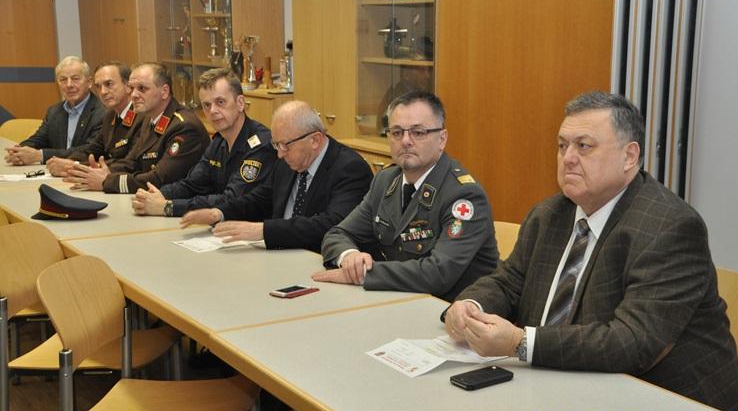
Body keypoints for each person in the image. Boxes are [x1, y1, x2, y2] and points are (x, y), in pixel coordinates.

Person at [442, 91, 738, 411]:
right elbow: (508, 282)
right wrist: (471, 305)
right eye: (563, 146)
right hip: (560, 387)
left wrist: (521, 343)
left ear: (629, 156)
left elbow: (633, 341)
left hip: (672, 408)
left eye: (584, 146)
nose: (568, 158)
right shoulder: (549, 214)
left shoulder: (670, 228)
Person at [313, 91, 499, 302]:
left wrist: (364, 274)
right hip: (401, 300)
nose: (406, 141)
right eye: (397, 132)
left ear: (442, 139)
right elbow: (337, 234)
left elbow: (438, 273)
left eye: (418, 133)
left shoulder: (464, 196)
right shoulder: (385, 181)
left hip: (453, 310)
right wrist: (350, 257)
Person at [180, 100, 372, 252]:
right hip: (280, 255)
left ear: (315, 140)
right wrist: (218, 213)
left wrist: (263, 230)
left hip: (318, 260)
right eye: (276, 144)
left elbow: (331, 224)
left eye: (285, 145)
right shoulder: (288, 160)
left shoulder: (350, 169)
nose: (279, 154)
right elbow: (260, 199)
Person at [131, 68, 275, 217]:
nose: (212, 111)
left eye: (220, 102)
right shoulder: (218, 142)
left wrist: (168, 206)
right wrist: (158, 195)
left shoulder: (260, 145)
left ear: (240, 103)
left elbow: (230, 200)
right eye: (207, 105)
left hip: (250, 227)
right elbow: (192, 184)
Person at [64, 62, 209, 193]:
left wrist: (107, 181)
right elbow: (132, 162)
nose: (133, 95)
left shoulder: (184, 126)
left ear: (164, 91)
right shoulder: (149, 119)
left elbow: (159, 179)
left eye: (142, 88)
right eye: (132, 88)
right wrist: (98, 172)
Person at [46, 61, 142, 176]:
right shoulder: (110, 116)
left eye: (109, 84)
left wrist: (76, 166)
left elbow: (129, 162)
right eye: (98, 86)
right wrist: (70, 161)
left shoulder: (142, 116)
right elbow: (92, 149)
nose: (103, 92)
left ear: (128, 86)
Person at [4, 56, 105, 165]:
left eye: (75, 79)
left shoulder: (103, 112)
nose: (69, 85)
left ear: (89, 82)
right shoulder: (54, 111)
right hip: (52, 170)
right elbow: (39, 139)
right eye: (63, 80)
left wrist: (41, 156)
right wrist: (19, 151)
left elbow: (89, 150)